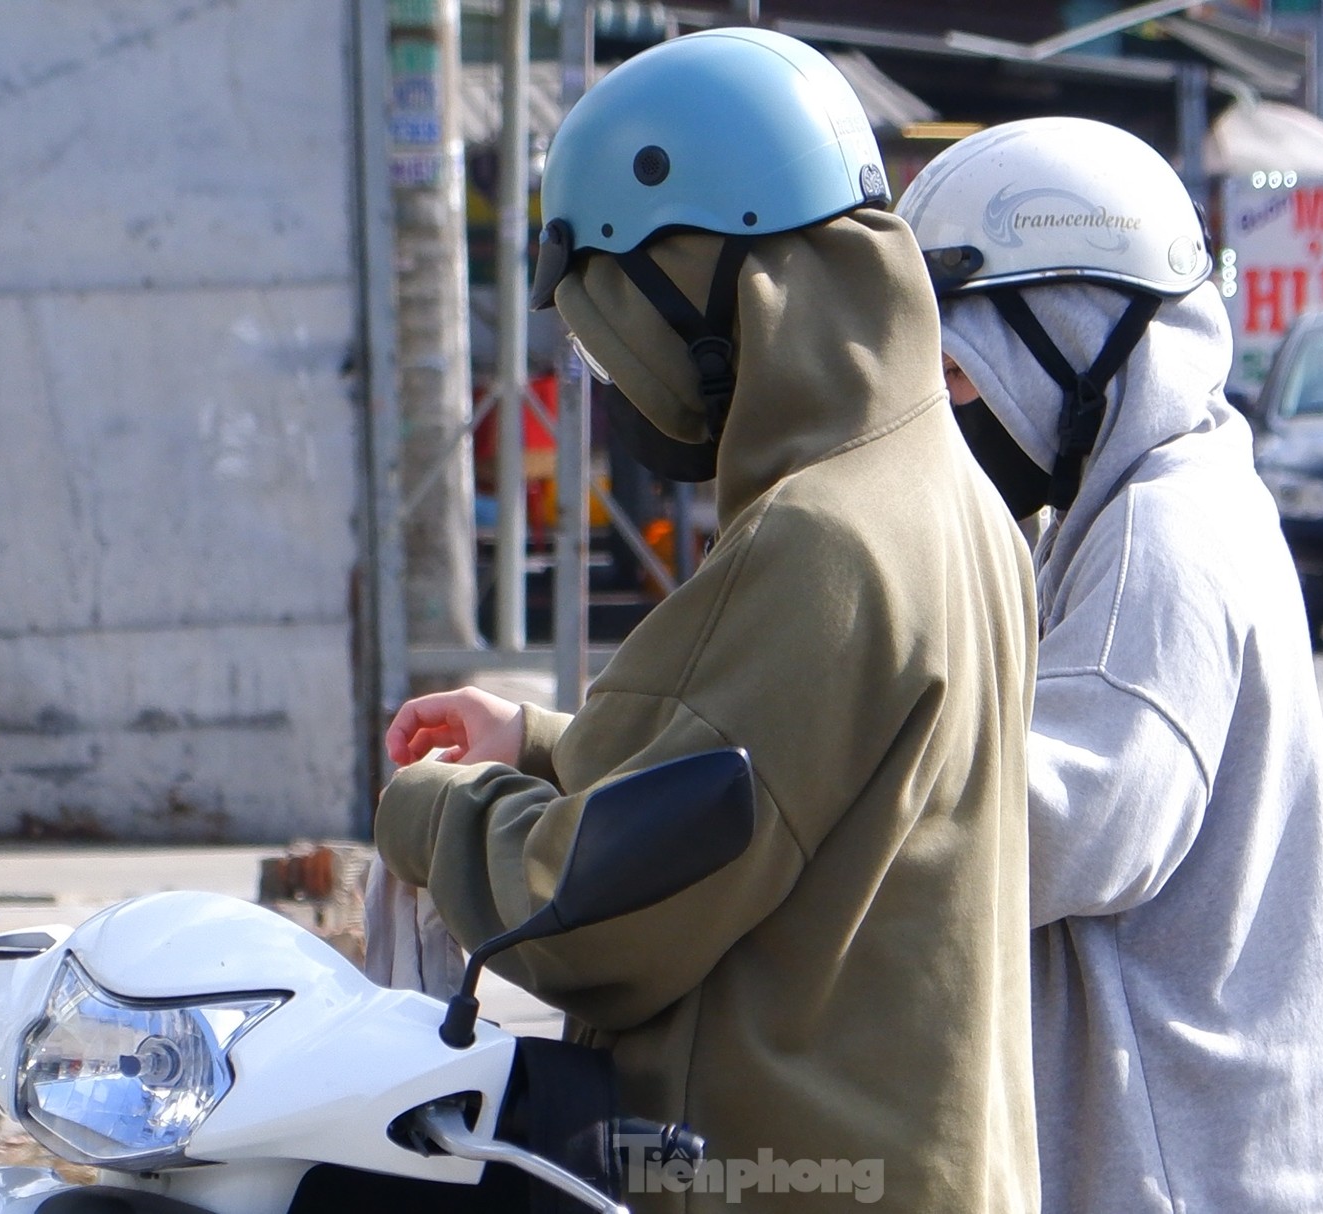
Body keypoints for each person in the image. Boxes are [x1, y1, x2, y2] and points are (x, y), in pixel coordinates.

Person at [374, 28, 1041, 1214]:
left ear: (702, 272)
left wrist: (438, 808)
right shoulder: (944, 490)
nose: (608, 373)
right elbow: (779, 780)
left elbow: (599, 919)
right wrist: (536, 742)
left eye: (602, 322)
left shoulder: (817, 539)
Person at [898, 116, 1323, 1214]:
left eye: (961, 365)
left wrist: (785, 796)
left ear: (1077, 331)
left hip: (1200, 1170)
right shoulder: (1147, 498)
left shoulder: (1160, 529)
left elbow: (1065, 830)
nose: (949, 405)